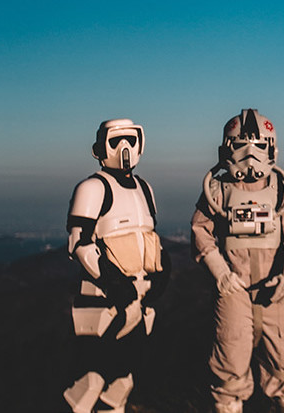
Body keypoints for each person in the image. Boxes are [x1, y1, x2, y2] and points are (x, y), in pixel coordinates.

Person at [191, 109, 284, 413]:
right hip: (233, 289)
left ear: (271, 149)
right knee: (229, 370)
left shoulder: (281, 188)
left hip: (276, 288)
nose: (250, 155)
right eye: (241, 146)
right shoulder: (217, 189)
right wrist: (220, 273)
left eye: (258, 146)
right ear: (227, 149)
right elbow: (200, 231)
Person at [63, 118, 170, 413]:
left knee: (123, 380)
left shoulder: (144, 188)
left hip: (139, 298)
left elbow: (147, 236)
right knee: (91, 382)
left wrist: (162, 270)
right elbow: (79, 243)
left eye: (131, 139)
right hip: (104, 299)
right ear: (100, 148)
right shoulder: (92, 188)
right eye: (116, 140)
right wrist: (112, 280)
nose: (125, 147)